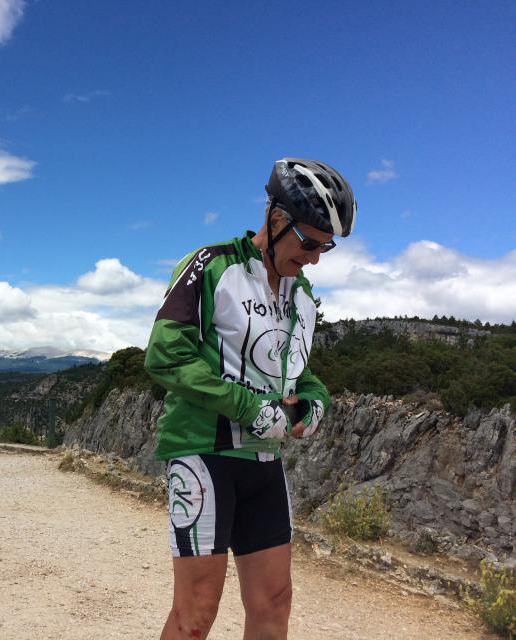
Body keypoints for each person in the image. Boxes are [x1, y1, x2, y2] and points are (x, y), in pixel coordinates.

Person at [144, 158, 356, 640]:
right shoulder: (212, 265)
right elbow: (166, 355)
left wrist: (315, 400)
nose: (315, 258)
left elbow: (295, 369)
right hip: (203, 452)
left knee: (274, 605)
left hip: (264, 461)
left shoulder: (301, 294)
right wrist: (247, 407)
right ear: (276, 218)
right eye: (309, 242)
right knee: (196, 614)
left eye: (326, 247)